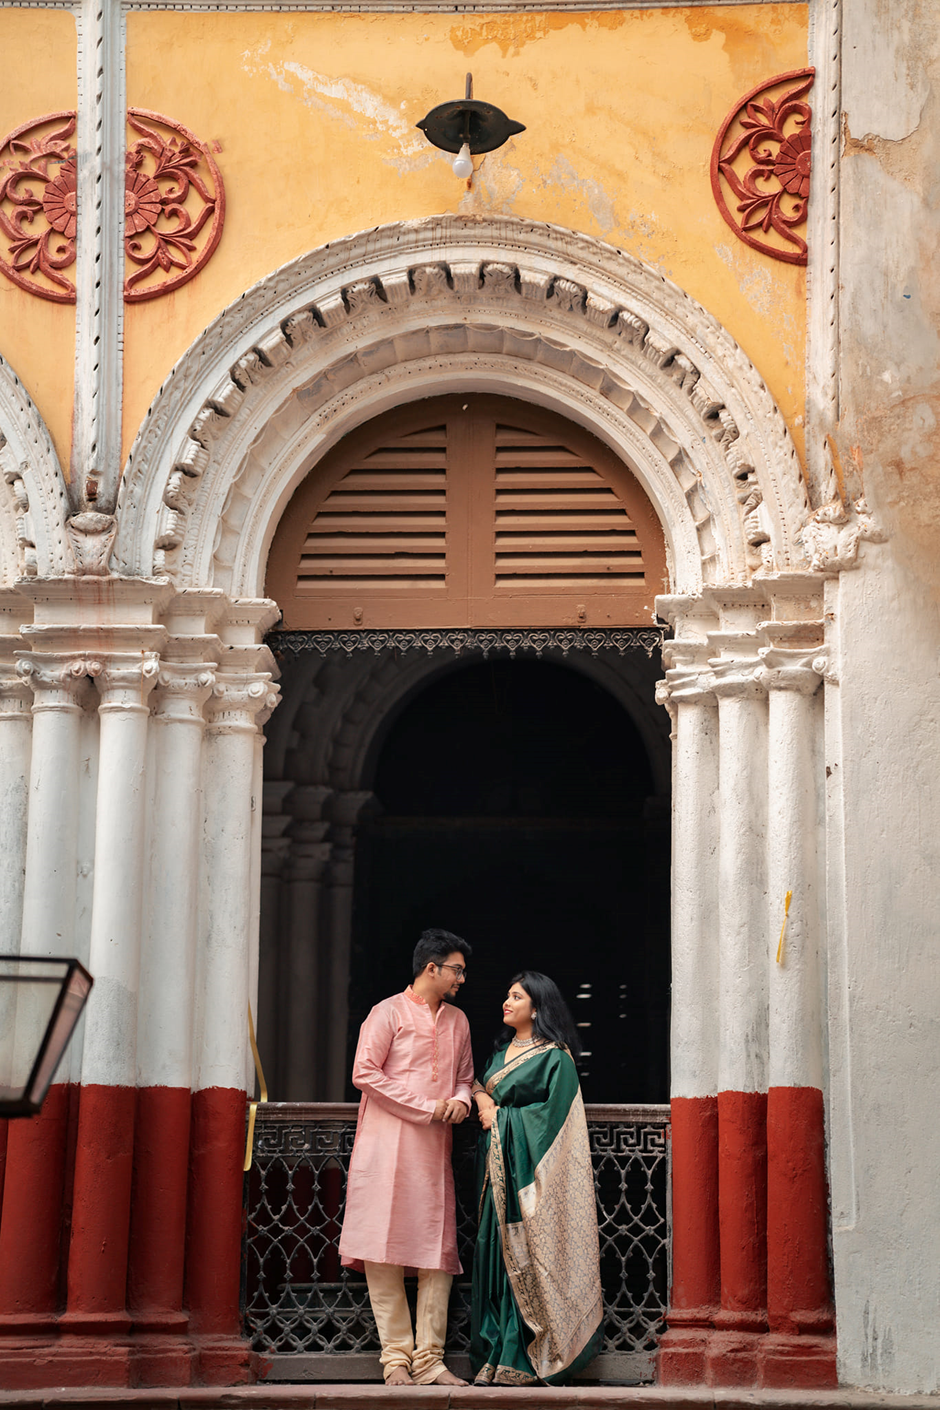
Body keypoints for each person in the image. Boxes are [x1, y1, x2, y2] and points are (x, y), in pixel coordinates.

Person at [338, 928, 474, 1386]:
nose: (462, 978)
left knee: (437, 1251)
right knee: (384, 1248)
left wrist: (461, 1101)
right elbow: (364, 1072)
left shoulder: (458, 1020)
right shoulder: (387, 1012)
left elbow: (464, 1077)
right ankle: (395, 1358)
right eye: (456, 969)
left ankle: (431, 1360)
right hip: (386, 1143)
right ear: (430, 968)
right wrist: (428, 1107)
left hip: (434, 1148)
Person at [470, 970, 603, 1386]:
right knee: (493, 1256)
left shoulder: (555, 1057)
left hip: (531, 1180)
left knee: (526, 1256)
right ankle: (494, 1354)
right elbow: (479, 1083)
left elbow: (554, 1120)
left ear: (537, 1006)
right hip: (495, 1175)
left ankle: (522, 1355)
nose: (506, 1003)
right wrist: (481, 1099)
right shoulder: (500, 1051)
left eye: (515, 997)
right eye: (507, 996)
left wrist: (502, 1117)